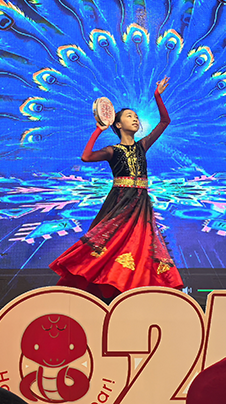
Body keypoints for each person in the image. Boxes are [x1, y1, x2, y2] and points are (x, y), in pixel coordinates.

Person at [50, 77, 184, 299]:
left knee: (141, 244)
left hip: (140, 201)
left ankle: (133, 287)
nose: (135, 119)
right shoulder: (113, 150)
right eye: (129, 116)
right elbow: (86, 157)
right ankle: (107, 285)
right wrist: (98, 130)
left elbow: (164, 121)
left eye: (136, 116)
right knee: (111, 242)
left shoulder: (142, 145)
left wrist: (157, 96)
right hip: (120, 200)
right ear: (118, 125)